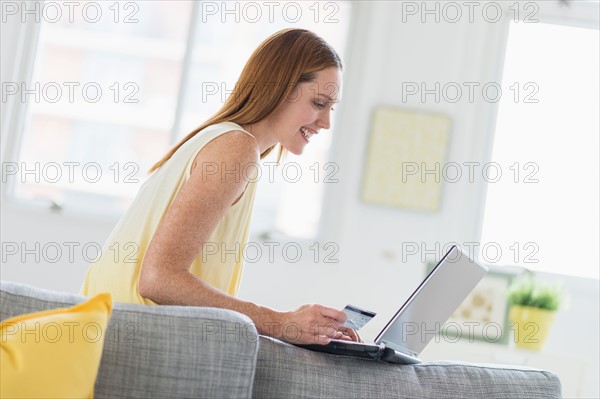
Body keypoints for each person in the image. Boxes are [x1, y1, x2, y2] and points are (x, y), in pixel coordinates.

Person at [80, 28, 360, 345]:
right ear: (278, 88)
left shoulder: (224, 140)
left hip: (115, 332)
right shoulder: (235, 149)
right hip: (131, 341)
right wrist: (280, 323)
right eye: (319, 103)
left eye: (331, 108)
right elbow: (158, 279)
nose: (325, 123)